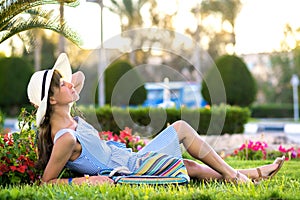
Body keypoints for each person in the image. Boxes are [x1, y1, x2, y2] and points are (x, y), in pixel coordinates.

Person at [27, 53, 285, 185]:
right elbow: (45, 183)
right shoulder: (65, 137)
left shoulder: (70, 120)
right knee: (181, 129)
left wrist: (64, 85)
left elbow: (78, 80)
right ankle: (237, 176)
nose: (71, 85)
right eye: (62, 85)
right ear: (51, 101)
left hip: (130, 160)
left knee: (187, 165)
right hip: (128, 170)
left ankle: (249, 174)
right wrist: (88, 181)